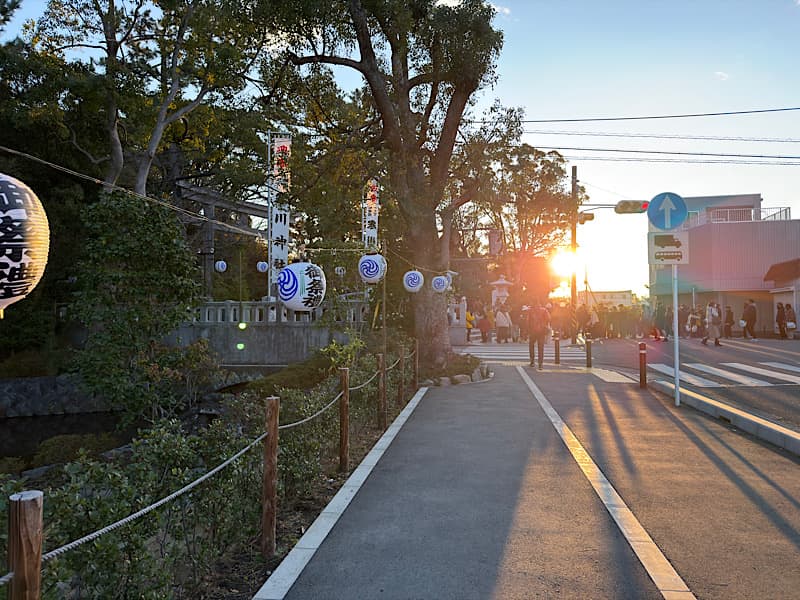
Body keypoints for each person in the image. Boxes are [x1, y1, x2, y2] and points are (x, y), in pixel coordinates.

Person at [528, 300, 550, 370]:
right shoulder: (544, 310)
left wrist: (528, 330)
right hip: (541, 331)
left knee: (531, 345)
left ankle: (532, 361)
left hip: (533, 331)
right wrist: (544, 324)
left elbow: (527, 321)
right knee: (541, 347)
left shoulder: (531, 311)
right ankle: (540, 364)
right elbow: (549, 319)